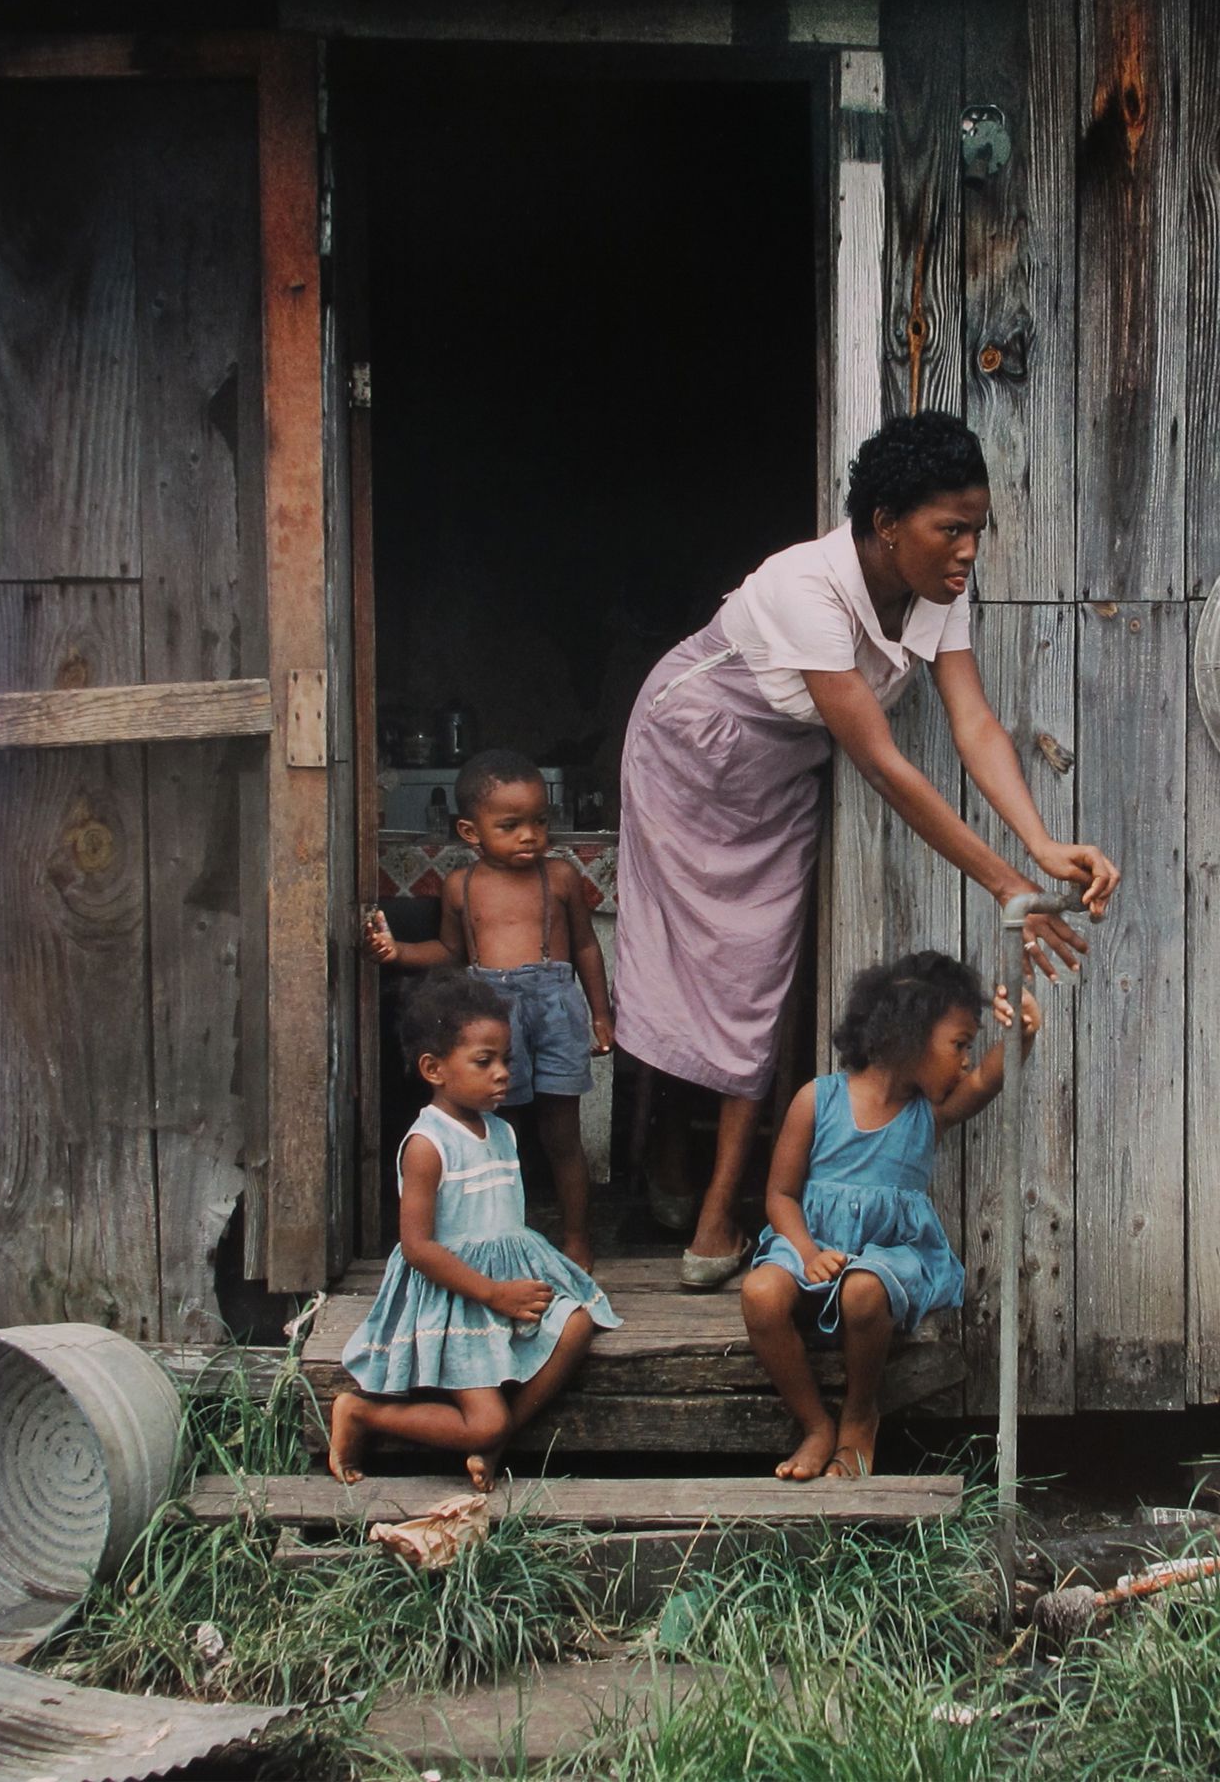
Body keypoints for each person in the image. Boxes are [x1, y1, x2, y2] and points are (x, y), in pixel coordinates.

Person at [617, 412, 1119, 1289]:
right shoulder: (803, 585)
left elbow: (971, 720)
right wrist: (1011, 888)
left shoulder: (939, 589)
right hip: (691, 746)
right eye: (949, 530)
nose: (967, 551)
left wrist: (1040, 845)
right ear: (886, 522)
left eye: (976, 530)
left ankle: (708, 1207)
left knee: (758, 971)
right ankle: (696, 1203)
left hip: (775, 762)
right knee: (701, 968)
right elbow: (884, 766)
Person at [741, 950, 1038, 1480]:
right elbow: (781, 1196)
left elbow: (988, 1079)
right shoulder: (818, 1100)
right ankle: (815, 1424)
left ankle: (858, 1417)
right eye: (959, 1045)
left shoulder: (931, 1113)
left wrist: (1023, 1030)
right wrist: (806, 1254)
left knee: (862, 1289)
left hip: (886, 1257)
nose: (967, 1060)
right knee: (760, 1294)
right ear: (906, 1034)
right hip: (812, 1246)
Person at [328, 971, 621, 1491]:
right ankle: (363, 1415)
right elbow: (417, 1249)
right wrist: (494, 1295)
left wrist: (514, 1286)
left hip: (504, 1282)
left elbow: (502, 1225)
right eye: (484, 1062)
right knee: (485, 1417)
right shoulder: (427, 1144)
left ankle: (494, 1440)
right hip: (457, 1295)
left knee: (577, 1322)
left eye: (506, 1059)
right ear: (433, 1069)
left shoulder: (501, 1131)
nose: (503, 1073)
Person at [367, 749, 613, 1271]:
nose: (530, 835)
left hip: (555, 1011)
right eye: (510, 825)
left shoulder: (562, 879)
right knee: (503, 1132)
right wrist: (400, 953)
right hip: (494, 1019)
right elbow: (450, 954)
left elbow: (587, 948)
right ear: (470, 831)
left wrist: (601, 1014)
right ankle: (504, 1238)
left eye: (539, 822)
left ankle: (576, 1237)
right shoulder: (461, 886)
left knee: (563, 1133)